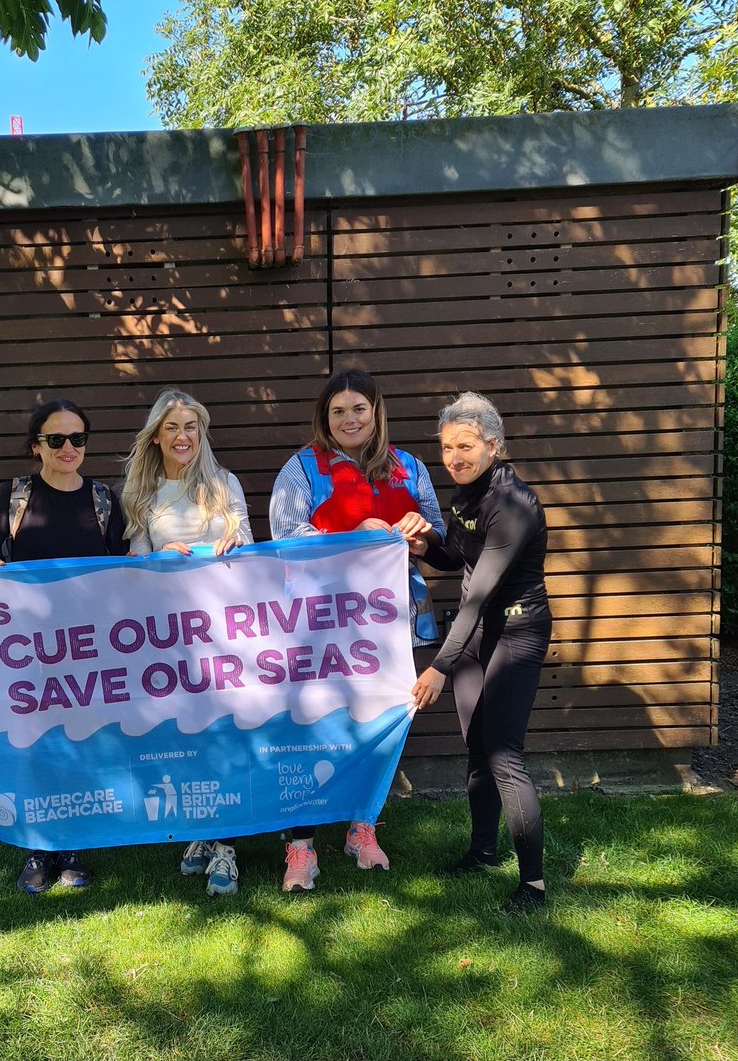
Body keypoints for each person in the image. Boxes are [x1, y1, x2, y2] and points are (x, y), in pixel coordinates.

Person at [269, 368, 445, 893]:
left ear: (376, 412)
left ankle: (362, 827)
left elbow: (437, 531)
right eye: (338, 410)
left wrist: (421, 536)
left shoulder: (408, 466)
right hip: (321, 626)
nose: (349, 419)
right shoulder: (301, 468)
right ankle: (300, 844)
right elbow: (284, 537)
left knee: (382, 725)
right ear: (325, 417)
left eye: (359, 409)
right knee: (311, 725)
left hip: (398, 624)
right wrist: (352, 535)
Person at [0, 397, 129, 893]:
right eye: (56, 439)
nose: (68, 448)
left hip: (89, 648)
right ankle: (38, 849)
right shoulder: (12, 496)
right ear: (35, 445)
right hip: (28, 649)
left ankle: (74, 847)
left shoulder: (105, 498)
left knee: (83, 743)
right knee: (35, 745)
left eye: (77, 439)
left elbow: (124, 572)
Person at [410, 392, 552, 914]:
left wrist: (439, 667)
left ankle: (533, 884)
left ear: (494, 445)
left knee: (503, 755)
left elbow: (478, 593)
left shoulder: (513, 504)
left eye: (466, 446)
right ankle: (482, 851)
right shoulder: (465, 493)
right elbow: (455, 557)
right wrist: (425, 543)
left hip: (516, 631)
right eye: (447, 448)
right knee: (477, 750)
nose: (455, 457)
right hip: (476, 634)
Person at [122, 388, 254, 896]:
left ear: (202, 432)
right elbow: (133, 565)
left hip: (226, 635)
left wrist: (234, 544)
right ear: (157, 435)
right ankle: (201, 833)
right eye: (172, 427)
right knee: (186, 738)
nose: (183, 436)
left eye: (191, 427)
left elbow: (252, 552)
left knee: (224, 735)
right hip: (171, 640)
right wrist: (159, 557)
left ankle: (227, 847)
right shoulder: (143, 493)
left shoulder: (225, 485)